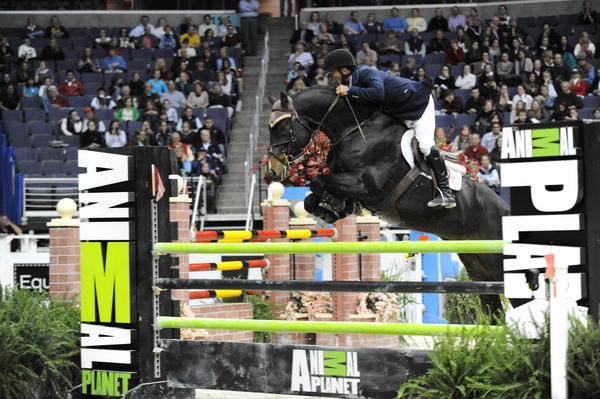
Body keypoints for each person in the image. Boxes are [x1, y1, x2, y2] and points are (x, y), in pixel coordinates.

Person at [323, 48, 455, 208]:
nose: (332, 77)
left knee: (425, 145)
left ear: (344, 69)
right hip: (400, 112)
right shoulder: (350, 82)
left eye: (332, 73)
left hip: (418, 104)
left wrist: (350, 90)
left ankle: (446, 193)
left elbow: (378, 93)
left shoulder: (365, 72)